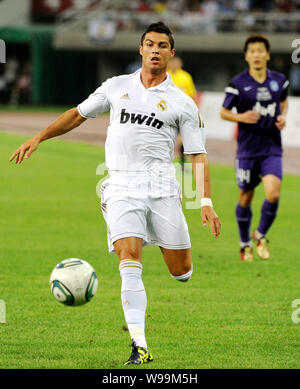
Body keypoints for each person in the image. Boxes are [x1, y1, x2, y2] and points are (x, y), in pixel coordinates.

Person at [9, 22, 221, 365]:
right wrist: (39, 137)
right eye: (149, 44)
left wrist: (206, 203)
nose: (155, 50)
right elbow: (78, 115)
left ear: (171, 53)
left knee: (182, 272)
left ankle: (165, 260)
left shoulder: (182, 103)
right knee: (129, 259)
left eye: (162, 45)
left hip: (163, 188)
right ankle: (140, 345)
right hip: (121, 184)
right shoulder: (116, 87)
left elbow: (197, 155)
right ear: (140, 49)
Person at [220, 34, 289, 262]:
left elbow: (284, 101)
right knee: (246, 197)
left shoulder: (279, 80)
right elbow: (223, 112)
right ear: (246, 56)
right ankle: (244, 243)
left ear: (267, 54)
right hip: (247, 151)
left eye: (261, 50)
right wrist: (241, 117)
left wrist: (283, 117)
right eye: (252, 51)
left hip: (271, 148)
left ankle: (260, 234)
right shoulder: (238, 84)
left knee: (273, 193)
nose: (257, 55)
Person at [167, 56, 197, 169]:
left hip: (183, 111)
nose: (174, 65)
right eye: (172, 62)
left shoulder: (186, 77)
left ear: (180, 64)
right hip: (167, 111)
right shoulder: (164, 75)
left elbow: (192, 94)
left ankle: (183, 161)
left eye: (176, 63)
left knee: (183, 137)